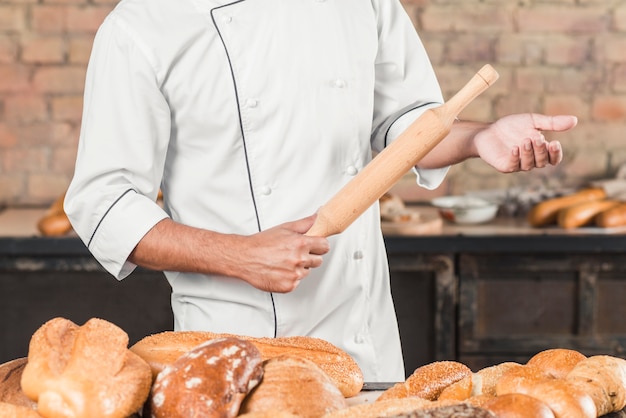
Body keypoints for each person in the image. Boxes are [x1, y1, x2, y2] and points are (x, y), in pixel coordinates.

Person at [64, 0, 577, 382]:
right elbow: (104, 204)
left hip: (366, 339)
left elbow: (405, 125)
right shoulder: (142, 26)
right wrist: (240, 256)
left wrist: (479, 138)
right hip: (238, 349)